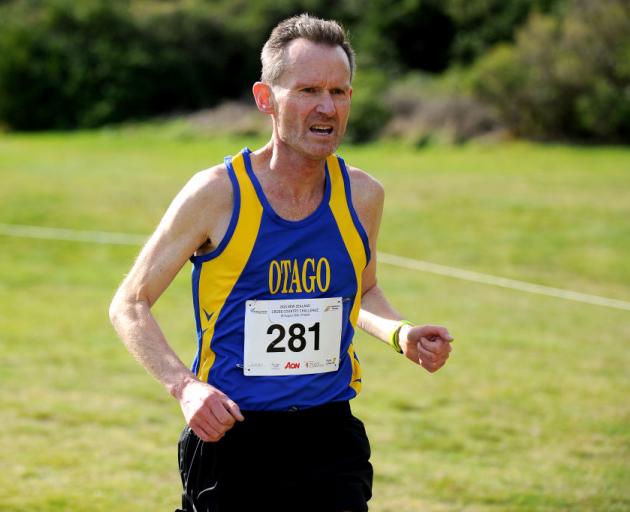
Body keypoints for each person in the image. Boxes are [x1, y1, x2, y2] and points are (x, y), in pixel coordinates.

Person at [109, 13, 453, 512]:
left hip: (331, 435)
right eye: (309, 89)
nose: (327, 107)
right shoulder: (217, 194)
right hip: (234, 436)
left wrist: (402, 334)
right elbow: (130, 303)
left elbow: (362, 291)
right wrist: (184, 387)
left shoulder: (363, 195)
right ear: (266, 98)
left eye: (340, 92)